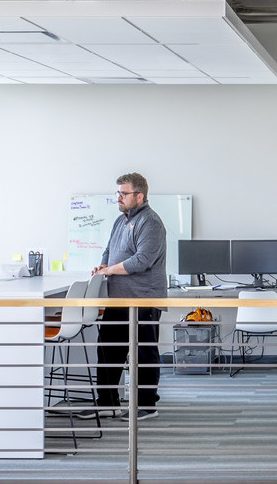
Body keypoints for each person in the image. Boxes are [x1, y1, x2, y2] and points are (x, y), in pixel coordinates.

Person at [80, 173, 167, 422]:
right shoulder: (121, 221)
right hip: (118, 299)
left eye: (124, 193)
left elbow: (141, 261)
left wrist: (109, 269)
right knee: (108, 350)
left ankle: (147, 405)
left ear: (139, 196)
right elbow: (109, 249)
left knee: (144, 353)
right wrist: (103, 265)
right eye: (118, 193)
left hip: (143, 300)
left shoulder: (150, 222)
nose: (119, 198)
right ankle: (107, 403)